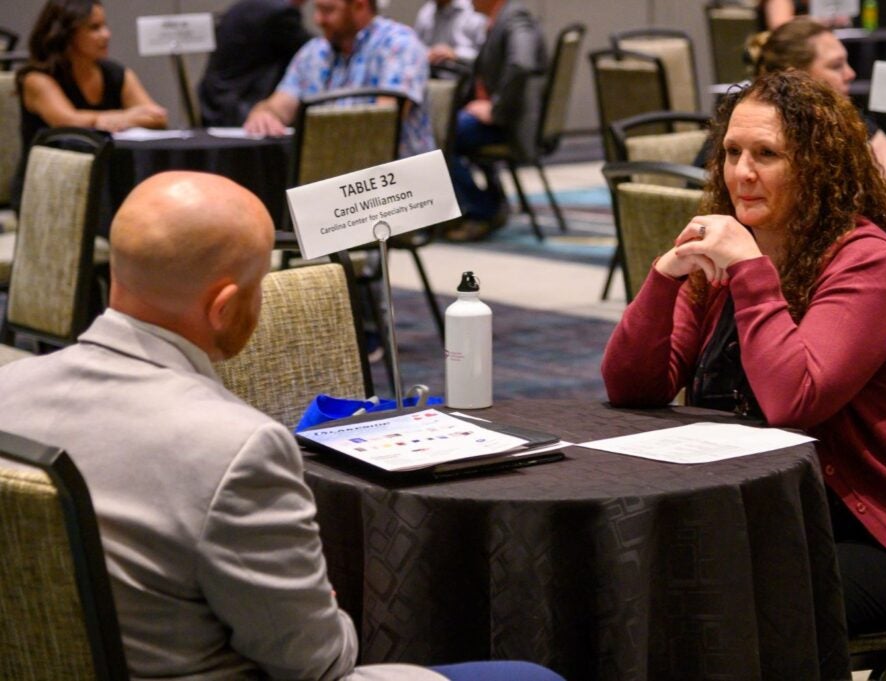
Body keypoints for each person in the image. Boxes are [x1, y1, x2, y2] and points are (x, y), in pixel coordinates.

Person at [0, 171, 564, 681]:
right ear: (223, 307)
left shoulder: (9, 388)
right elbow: (317, 663)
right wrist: (331, 609)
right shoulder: (236, 448)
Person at [601, 71, 886, 636]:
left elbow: (794, 400)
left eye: (767, 154)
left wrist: (750, 271)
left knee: (712, 607)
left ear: (817, 166)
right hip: (769, 510)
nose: (742, 173)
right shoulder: (729, 253)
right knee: (626, 573)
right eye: (732, 152)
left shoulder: (869, 264)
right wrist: (664, 277)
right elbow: (633, 387)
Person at [746, 18, 886, 204]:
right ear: (797, 76)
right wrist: (869, 176)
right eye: (836, 66)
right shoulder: (759, 122)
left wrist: (843, 179)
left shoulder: (849, 119)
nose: (850, 74)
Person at [12, 0, 167, 211]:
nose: (106, 34)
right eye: (94, 28)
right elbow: (67, 121)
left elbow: (157, 117)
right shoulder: (37, 79)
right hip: (48, 191)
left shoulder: (115, 73)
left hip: (106, 183)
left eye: (105, 26)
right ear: (66, 33)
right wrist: (126, 116)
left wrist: (112, 119)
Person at [243, 0, 433, 159]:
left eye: (328, 10)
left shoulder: (398, 44)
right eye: (317, 9)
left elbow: (384, 122)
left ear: (359, 6)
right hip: (329, 175)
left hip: (396, 180)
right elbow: (279, 106)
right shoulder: (314, 51)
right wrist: (265, 114)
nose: (318, 19)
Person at [446, 0, 546, 241]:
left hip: (509, 123)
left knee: (439, 134)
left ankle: (484, 210)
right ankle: (488, 201)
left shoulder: (516, 17)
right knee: (445, 126)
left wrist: (496, 109)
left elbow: (522, 63)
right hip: (499, 118)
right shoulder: (501, 19)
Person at [198, 0, 312, 127]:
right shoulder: (281, 12)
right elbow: (311, 50)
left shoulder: (247, 6)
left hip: (214, 102)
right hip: (245, 107)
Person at [414, 0, 487, 66]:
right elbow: (417, 46)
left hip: (459, 74)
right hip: (427, 71)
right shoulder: (427, 10)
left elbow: (484, 57)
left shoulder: (474, 12)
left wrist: (455, 54)